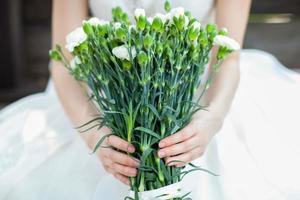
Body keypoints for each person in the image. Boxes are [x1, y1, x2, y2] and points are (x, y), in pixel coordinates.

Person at [1, 0, 300, 199]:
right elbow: (63, 63)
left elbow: (229, 59)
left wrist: (210, 118)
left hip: (201, 103)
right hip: (98, 105)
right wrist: (95, 134)